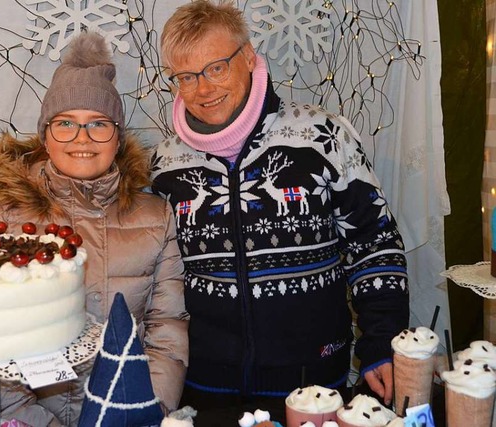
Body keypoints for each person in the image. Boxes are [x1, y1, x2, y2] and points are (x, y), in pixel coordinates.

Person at [0, 31, 188, 427]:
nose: (82, 139)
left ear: (118, 137)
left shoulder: (156, 218)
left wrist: (142, 412)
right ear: (45, 134)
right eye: (65, 124)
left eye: (98, 124)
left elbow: (167, 331)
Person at [150, 0, 409, 422]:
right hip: (203, 387)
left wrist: (381, 345)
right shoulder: (164, 164)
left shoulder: (323, 135)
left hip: (313, 382)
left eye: (216, 67)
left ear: (248, 57)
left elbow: (374, 245)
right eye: (186, 76)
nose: (203, 88)